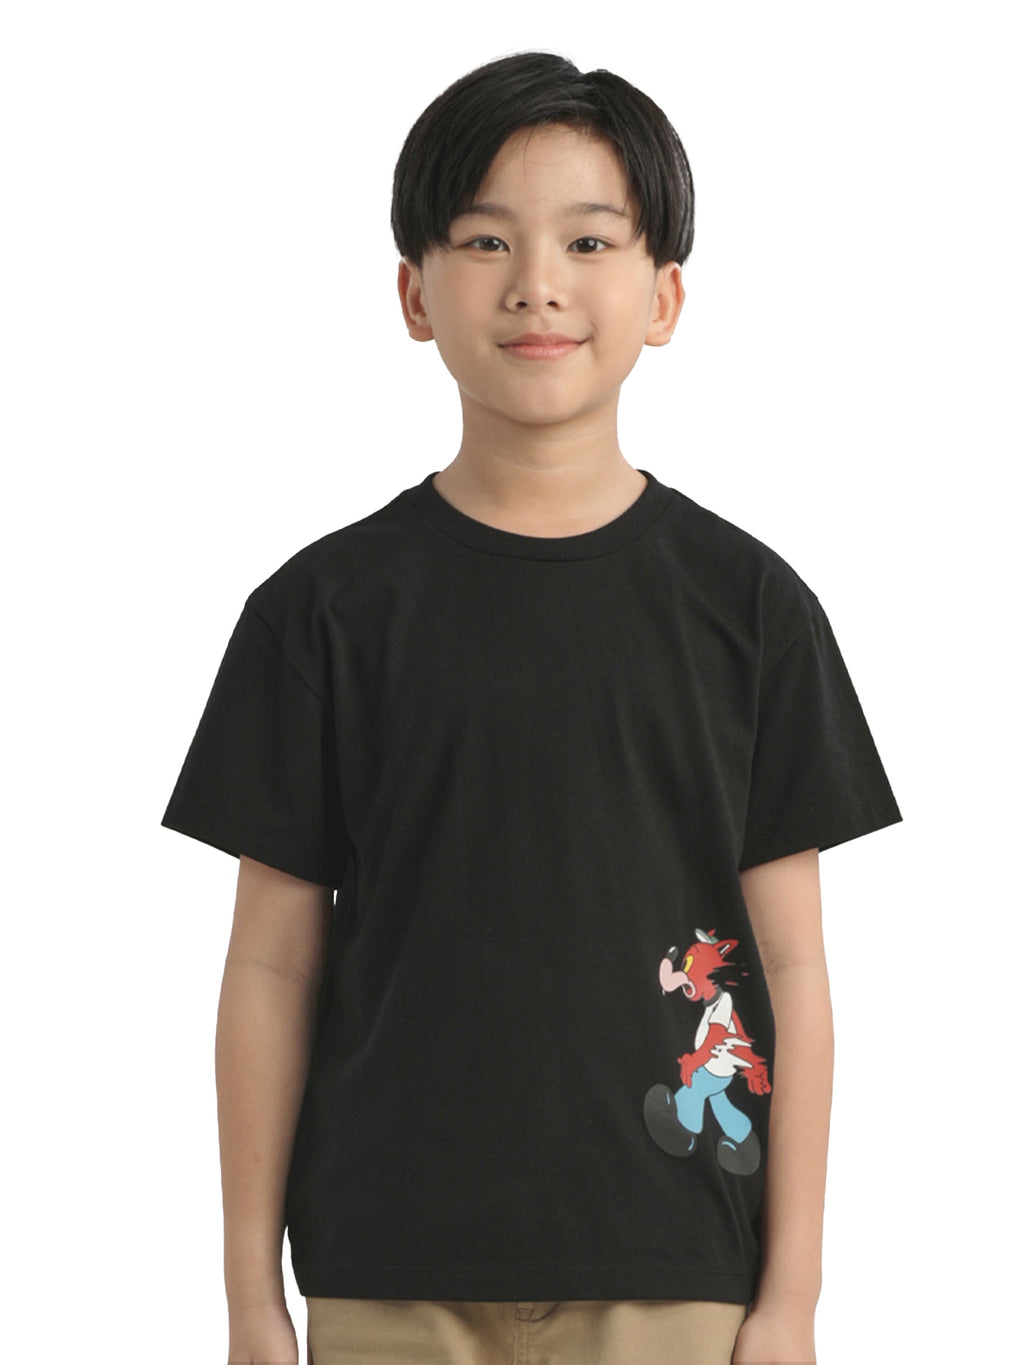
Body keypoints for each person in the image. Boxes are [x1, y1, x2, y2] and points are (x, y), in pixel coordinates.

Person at [162, 52, 902, 1365]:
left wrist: (791, 1297)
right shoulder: (319, 613)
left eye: (589, 241)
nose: (537, 283)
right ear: (414, 292)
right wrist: (247, 1295)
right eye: (486, 239)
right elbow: (270, 965)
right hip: (387, 1268)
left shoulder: (752, 609)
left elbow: (792, 967)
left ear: (664, 295)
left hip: (676, 1271)